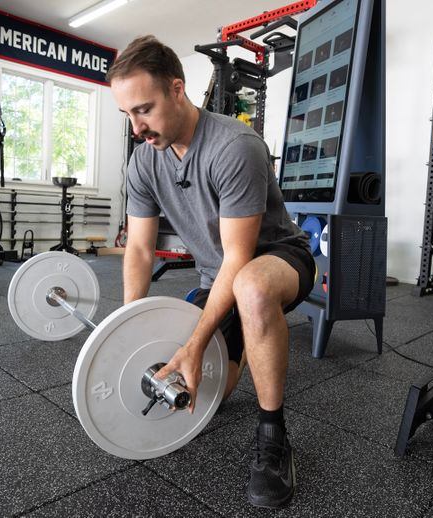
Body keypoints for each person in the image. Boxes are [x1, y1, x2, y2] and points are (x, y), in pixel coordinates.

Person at [107, 35, 315, 509]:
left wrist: (195, 345)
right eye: (128, 116)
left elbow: (239, 259)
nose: (138, 128)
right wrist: (127, 330)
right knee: (201, 397)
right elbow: (138, 249)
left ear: (177, 90)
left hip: (278, 263)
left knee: (249, 291)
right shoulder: (144, 160)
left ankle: (274, 436)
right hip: (216, 278)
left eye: (144, 110)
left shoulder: (234, 147)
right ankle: (231, 353)